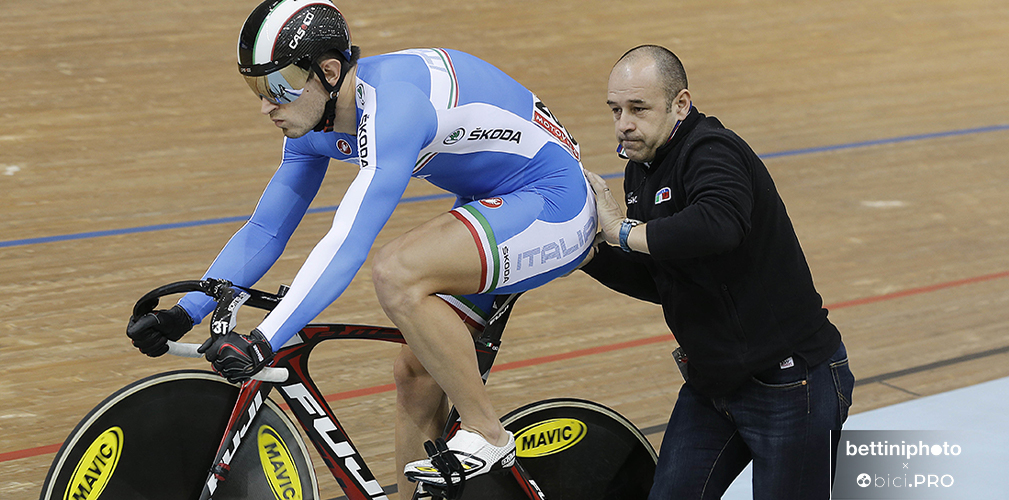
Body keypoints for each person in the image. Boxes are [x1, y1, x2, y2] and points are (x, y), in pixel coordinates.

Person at [125, 0, 595, 494]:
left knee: (397, 271)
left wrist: (264, 340)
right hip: (494, 199)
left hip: (553, 201)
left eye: (278, 86)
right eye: (256, 89)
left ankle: (487, 432)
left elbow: (348, 240)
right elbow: (266, 230)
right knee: (417, 375)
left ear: (328, 72)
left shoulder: (394, 105)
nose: (266, 106)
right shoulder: (315, 124)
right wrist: (185, 312)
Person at [581, 45, 855, 499]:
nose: (623, 123)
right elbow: (660, 278)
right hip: (714, 382)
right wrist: (590, 255)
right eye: (615, 110)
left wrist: (623, 231)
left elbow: (719, 224)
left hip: (791, 384)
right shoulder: (641, 170)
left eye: (638, 108)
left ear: (681, 104)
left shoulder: (712, 149)